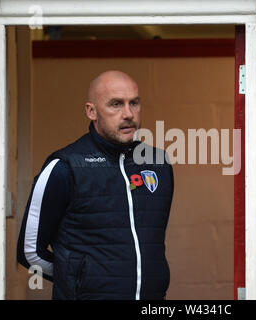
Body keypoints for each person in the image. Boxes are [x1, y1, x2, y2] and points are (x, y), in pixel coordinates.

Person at [17, 70, 174, 300]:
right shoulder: (64, 167)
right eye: (116, 104)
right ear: (92, 111)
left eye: (134, 103)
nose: (128, 114)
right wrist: (78, 280)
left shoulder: (158, 164)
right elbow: (29, 252)